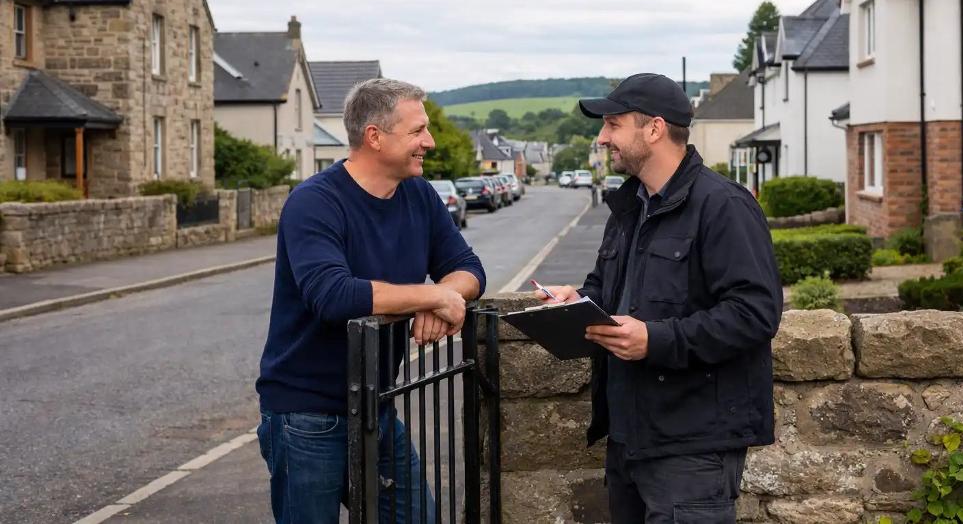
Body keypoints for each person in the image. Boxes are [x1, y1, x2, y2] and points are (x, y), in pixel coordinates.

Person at [535, 73, 781, 523]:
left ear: (654, 129)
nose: (602, 137)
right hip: (630, 439)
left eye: (612, 124)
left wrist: (656, 340)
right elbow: (607, 291)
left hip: (693, 448)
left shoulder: (723, 205)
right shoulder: (629, 206)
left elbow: (755, 312)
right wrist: (575, 301)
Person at [256, 78, 486, 524]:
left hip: (375, 406)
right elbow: (335, 296)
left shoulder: (418, 195)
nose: (429, 141)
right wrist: (431, 294)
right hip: (306, 414)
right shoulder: (314, 203)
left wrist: (439, 298)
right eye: (418, 130)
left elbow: (468, 267)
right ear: (374, 136)